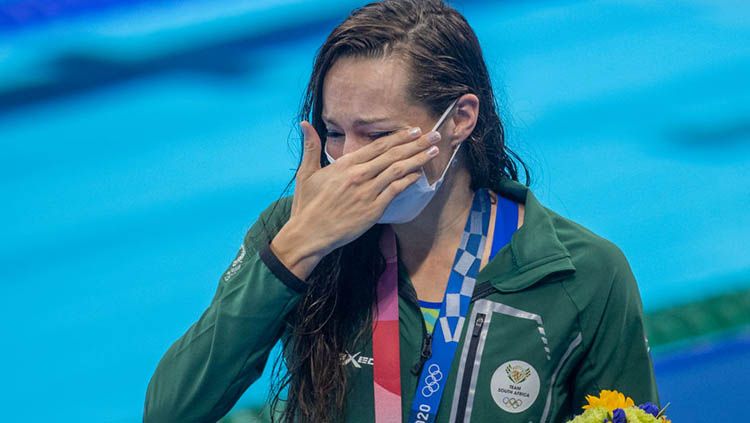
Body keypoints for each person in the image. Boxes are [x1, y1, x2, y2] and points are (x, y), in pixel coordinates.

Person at [143, 1, 659, 422]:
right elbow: (170, 412)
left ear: (459, 118)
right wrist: (299, 248)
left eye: (377, 135)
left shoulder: (581, 273)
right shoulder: (293, 233)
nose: (346, 164)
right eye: (335, 133)